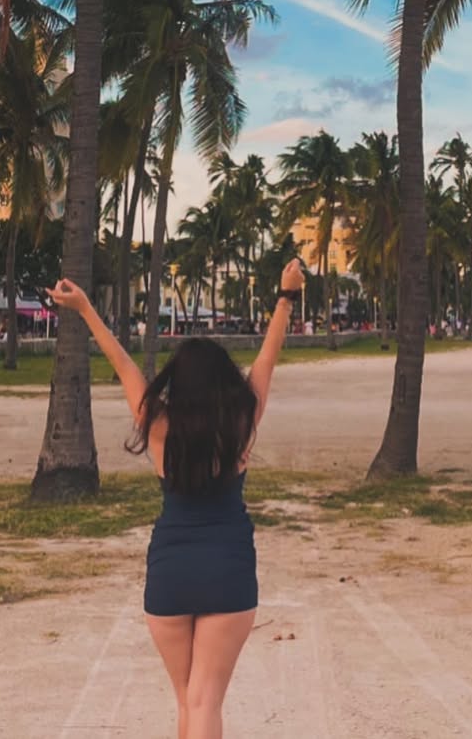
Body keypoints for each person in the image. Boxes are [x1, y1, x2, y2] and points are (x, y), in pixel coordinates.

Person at [49, 257, 304, 739]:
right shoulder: (242, 419)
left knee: (188, 701)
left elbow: (122, 363)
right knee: (205, 701)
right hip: (228, 569)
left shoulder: (156, 422)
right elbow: (267, 358)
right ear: (225, 382)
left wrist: (84, 309)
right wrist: (286, 297)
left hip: (170, 571)